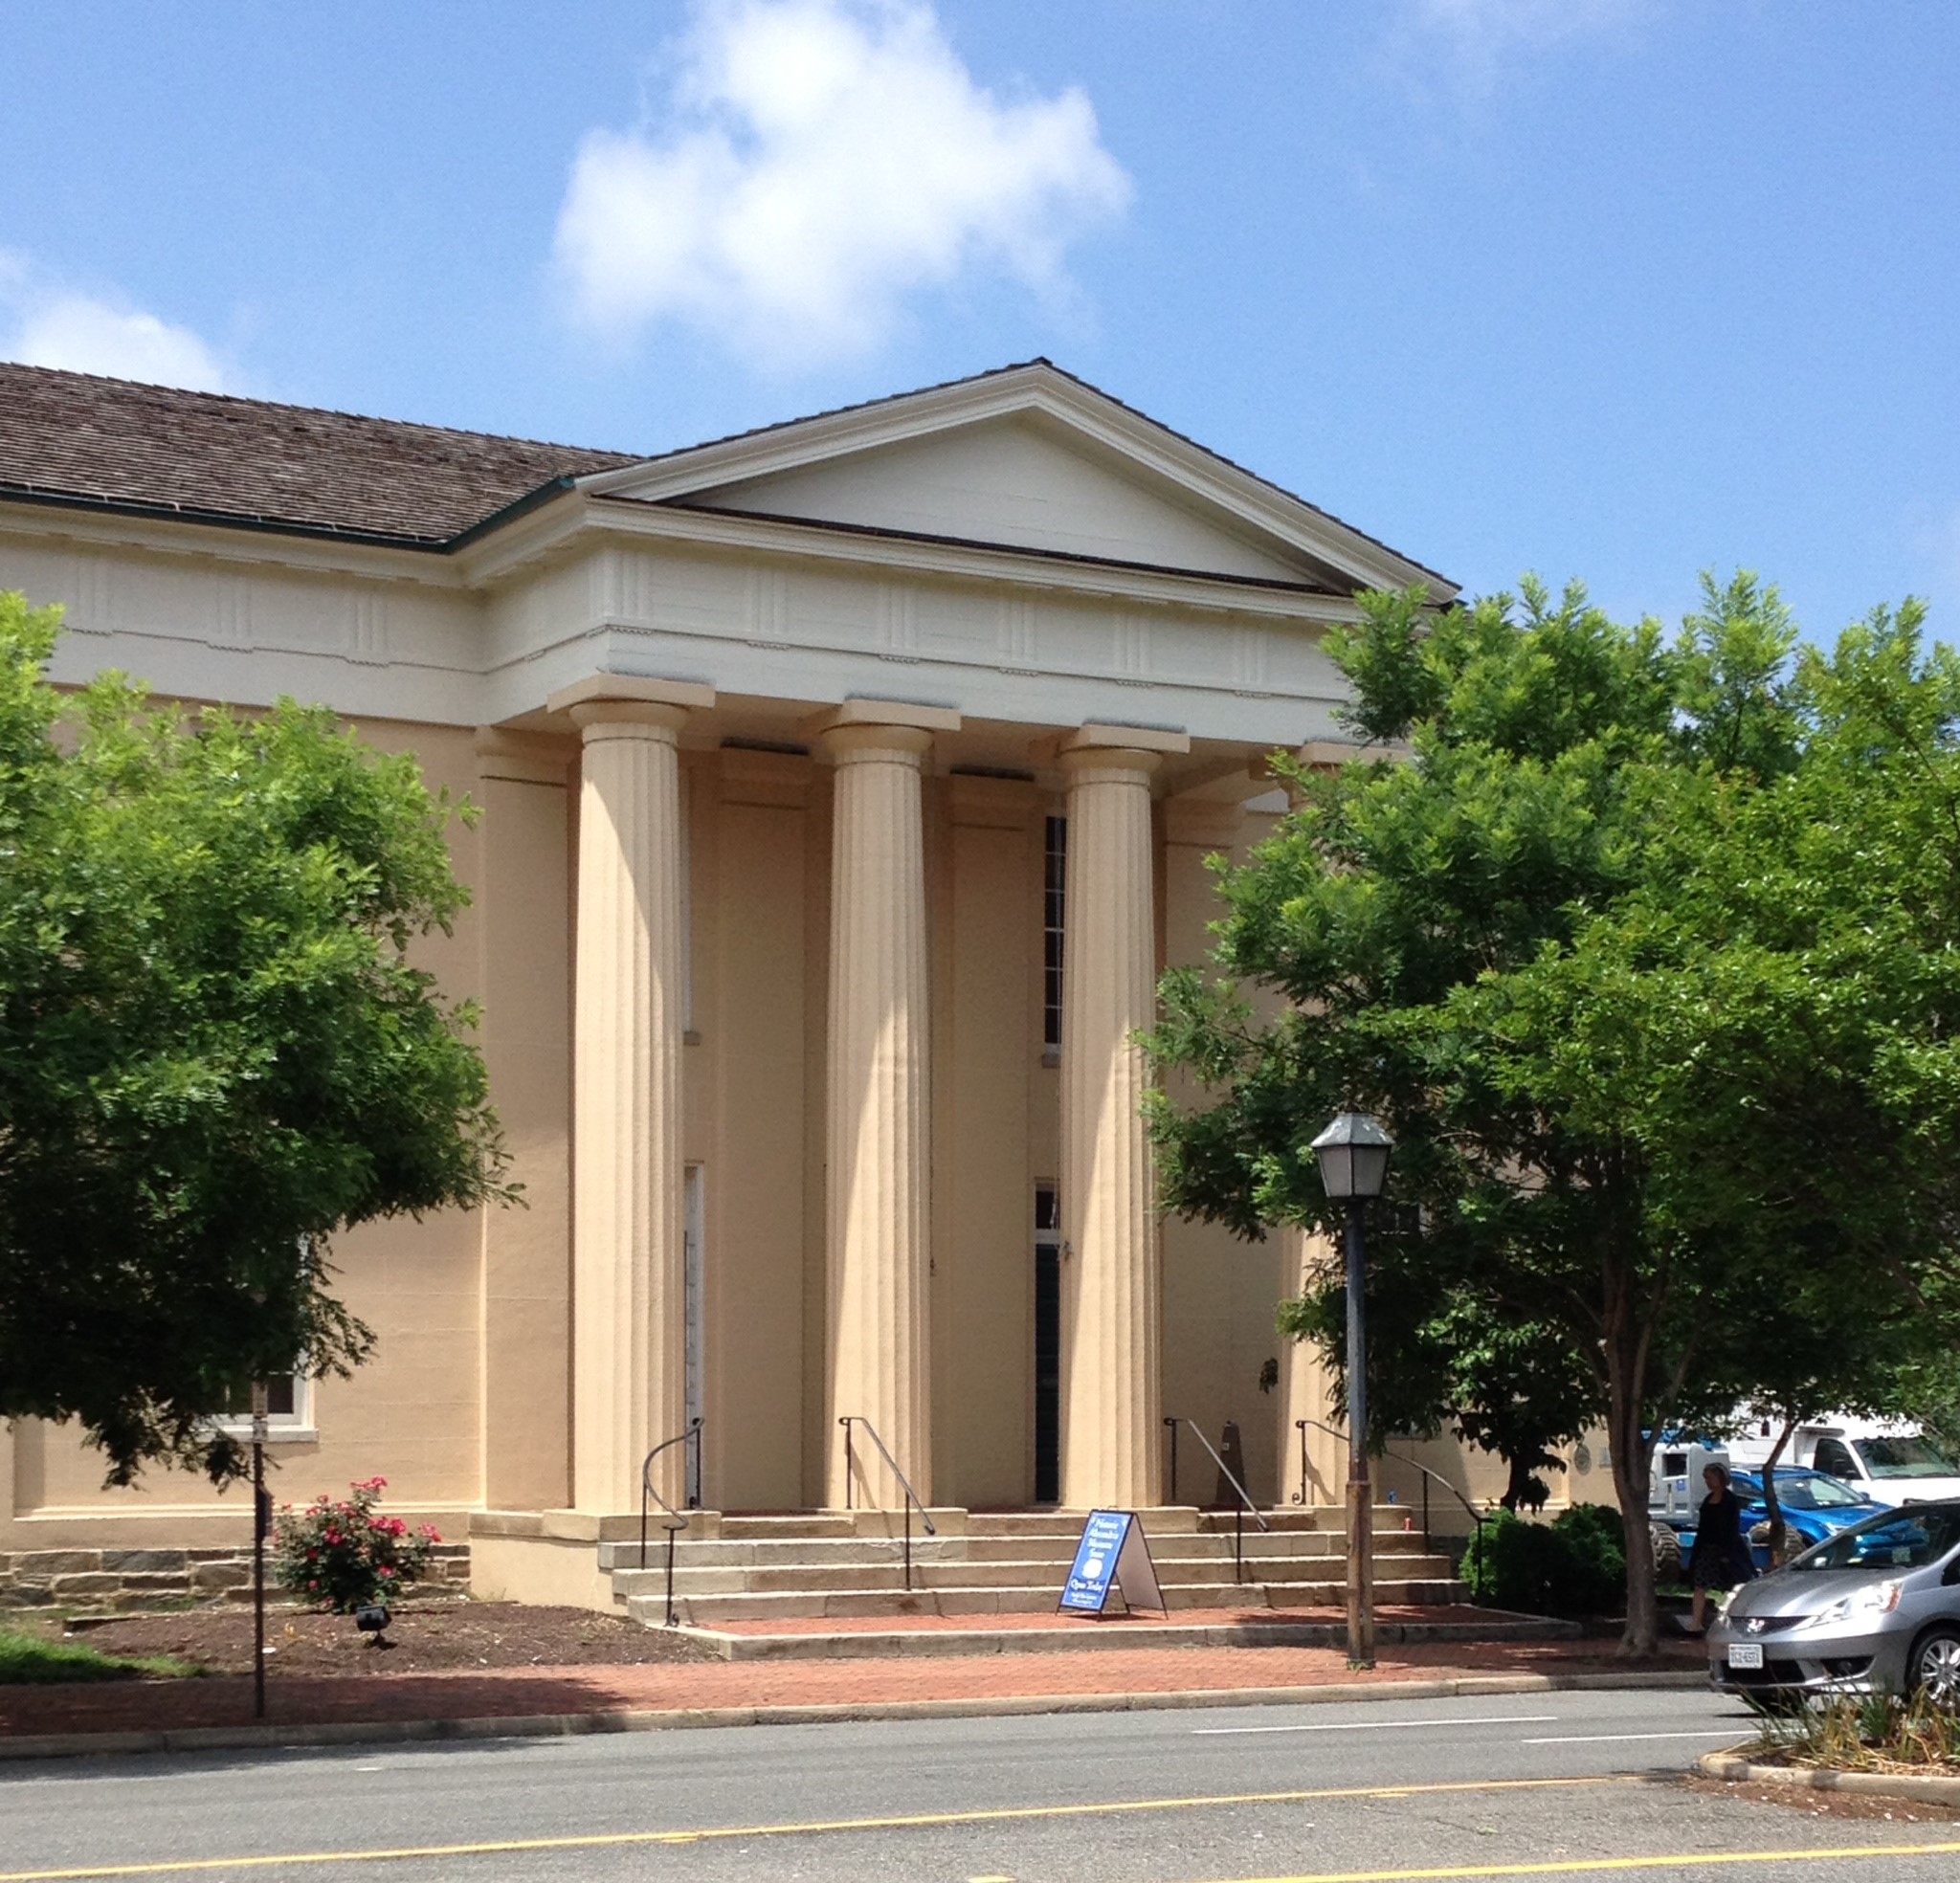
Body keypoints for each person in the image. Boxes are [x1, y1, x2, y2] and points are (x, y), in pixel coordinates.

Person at [1688, 1462, 1756, 1632]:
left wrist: (1728, 1552)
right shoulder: (1707, 1500)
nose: (1708, 1482)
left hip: (1727, 1548)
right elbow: (1703, 1527)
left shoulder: (1730, 1500)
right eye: (1706, 1479)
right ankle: (1696, 1623)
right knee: (1699, 1584)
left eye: (1710, 1478)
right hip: (1707, 1548)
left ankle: (1732, 1620)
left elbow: (1732, 1527)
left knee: (1735, 1584)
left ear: (1720, 1478)